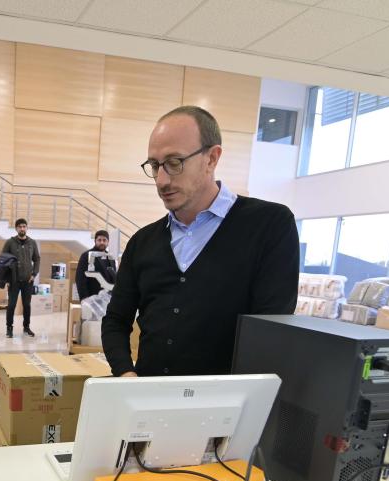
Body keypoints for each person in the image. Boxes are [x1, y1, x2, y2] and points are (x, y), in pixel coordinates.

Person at [102, 105, 299, 377]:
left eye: (174, 163)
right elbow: (115, 320)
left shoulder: (269, 225)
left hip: (227, 408)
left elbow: (272, 329)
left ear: (212, 158)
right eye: (155, 165)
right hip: (148, 403)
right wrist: (126, 374)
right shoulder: (142, 242)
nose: (161, 180)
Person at [2, 218, 41, 338]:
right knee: (11, 305)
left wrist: (34, 274)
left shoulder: (32, 243)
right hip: (13, 280)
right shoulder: (10, 242)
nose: (22, 228)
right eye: (20, 226)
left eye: (24, 226)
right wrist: (6, 279)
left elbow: (37, 259)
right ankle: (9, 328)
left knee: (27, 305)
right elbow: (3, 260)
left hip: (27, 280)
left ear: (27, 228)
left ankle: (26, 327)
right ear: (16, 228)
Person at [75, 229, 116, 300]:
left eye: (104, 240)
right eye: (99, 240)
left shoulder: (110, 257)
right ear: (95, 241)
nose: (102, 242)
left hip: (108, 298)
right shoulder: (87, 255)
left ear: (108, 242)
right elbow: (80, 279)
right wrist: (84, 298)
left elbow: (113, 278)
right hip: (92, 298)